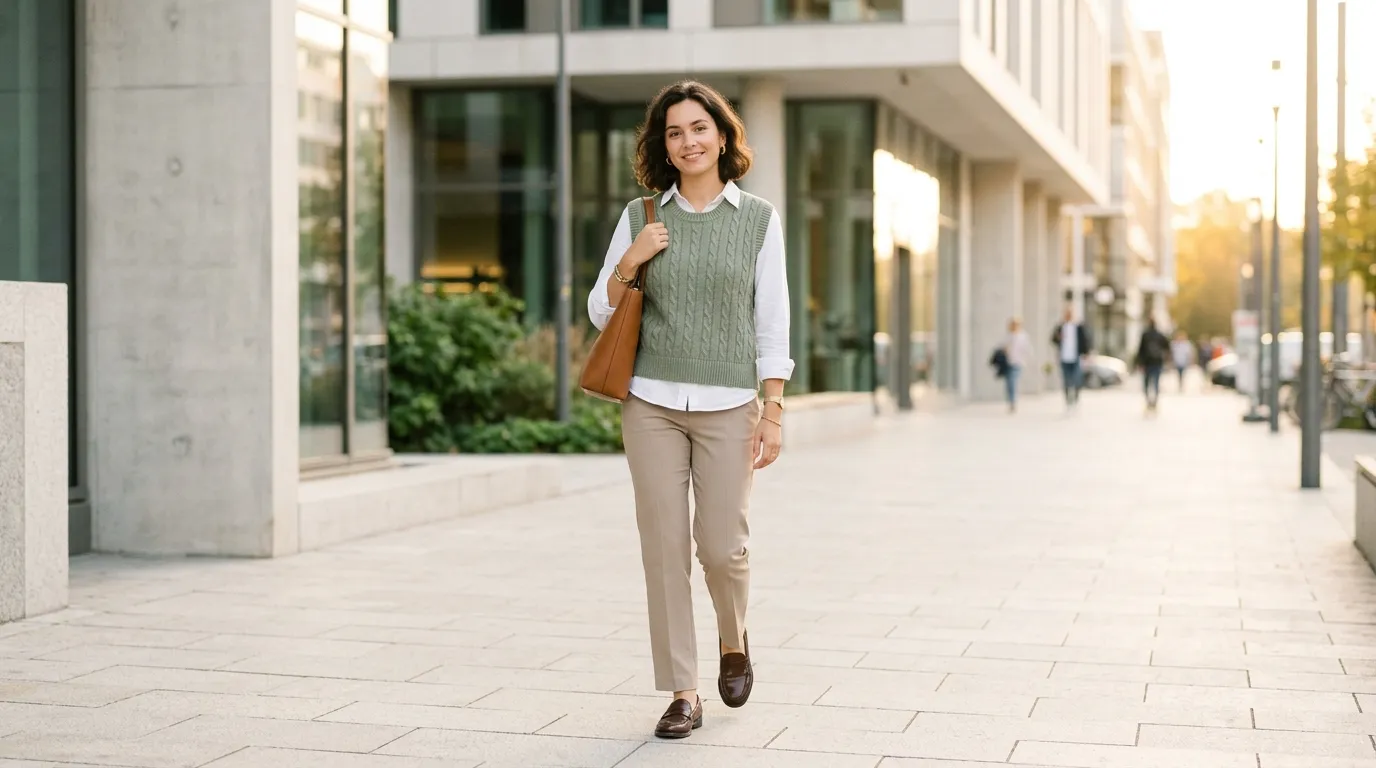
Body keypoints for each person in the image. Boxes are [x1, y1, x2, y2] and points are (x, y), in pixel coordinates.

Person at [586, 80, 791, 740]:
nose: (688, 141)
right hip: (651, 403)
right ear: (664, 145)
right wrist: (632, 258)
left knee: (722, 548)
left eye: (699, 128)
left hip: (730, 404)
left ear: (723, 137)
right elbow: (600, 311)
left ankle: (734, 637)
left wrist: (773, 409)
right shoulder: (641, 216)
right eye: (674, 132)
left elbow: (772, 321)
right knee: (664, 547)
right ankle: (683, 691)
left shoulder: (757, 219)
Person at [1050, 307, 1091, 407]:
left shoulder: (1078, 327)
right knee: (1066, 379)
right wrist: (1058, 337)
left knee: (1077, 379)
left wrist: (1086, 353)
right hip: (1064, 357)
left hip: (1076, 357)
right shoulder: (1060, 327)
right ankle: (1068, 399)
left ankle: (1076, 397)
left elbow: (1084, 340)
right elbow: (1053, 339)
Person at [1135, 319, 1171, 410]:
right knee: (1156, 382)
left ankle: (1148, 400)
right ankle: (1155, 400)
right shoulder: (1160, 335)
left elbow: (1140, 349)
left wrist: (1139, 363)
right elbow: (1167, 347)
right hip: (1157, 362)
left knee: (1146, 383)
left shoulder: (1145, 335)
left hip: (1147, 362)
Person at [1001, 318, 1034, 412]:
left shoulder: (1023, 336)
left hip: (1018, 362)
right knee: (1009, 383)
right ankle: (1010, 400)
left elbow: (1027, 349)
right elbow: (1003, 347)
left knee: (1013, 381)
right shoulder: (1008, 336)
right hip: (1008, 362)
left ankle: (1013, 401)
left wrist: (1027, 359)